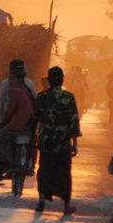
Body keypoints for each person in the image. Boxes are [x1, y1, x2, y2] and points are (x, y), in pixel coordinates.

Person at [31, 65, 81, 215]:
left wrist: (33, 136)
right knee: (64, 174)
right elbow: (73, 122)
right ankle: (66, 206)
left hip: (46, 143)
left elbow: (33, 119)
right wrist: (75, 144)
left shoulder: (41, 97)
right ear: (62, 80)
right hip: (63, 144)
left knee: (44, 170)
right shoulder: (68, 97)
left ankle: (41, 201)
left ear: (49, 80)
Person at [0, 64, 35, 185]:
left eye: (12, 78)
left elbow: (7, 109)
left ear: (17, 79)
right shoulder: (28, 87)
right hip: (29, 125)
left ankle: (4, 166)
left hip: (16, 125)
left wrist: (1, 119)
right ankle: (29, 165)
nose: (10, 81)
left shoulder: (12, 89)